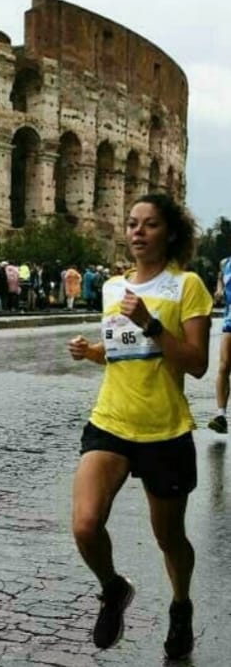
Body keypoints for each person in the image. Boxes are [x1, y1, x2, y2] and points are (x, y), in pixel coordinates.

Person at [67, 192, 211, 660]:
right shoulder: (113, 288)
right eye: (131, 224)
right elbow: (121, 352)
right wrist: (93, 352)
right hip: (110, 421)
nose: (137, 232)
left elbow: (195, 364)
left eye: (149, 225)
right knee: (86, 525)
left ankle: (181, 605)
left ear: (169, 232)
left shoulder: (187, 286)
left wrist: (151, 323)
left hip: (164, 430)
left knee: (169, 538)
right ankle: (113, 589)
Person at [206, 254, 231, 434]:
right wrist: (219, 290)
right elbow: (220, 279)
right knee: (223, 366)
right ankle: (220, 416)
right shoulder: (225, 263)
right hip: (230, 319)